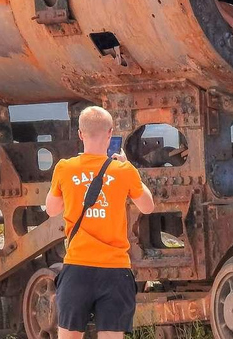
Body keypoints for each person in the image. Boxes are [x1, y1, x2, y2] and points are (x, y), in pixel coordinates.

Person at [45, 106, 155, 339]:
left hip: (77, 268)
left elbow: (52, 209)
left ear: (80, 134)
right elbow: (148, 206)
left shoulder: (65, 168)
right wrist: (128, 168)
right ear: (110, 133)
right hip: (115, 270)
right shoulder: (124, 171)